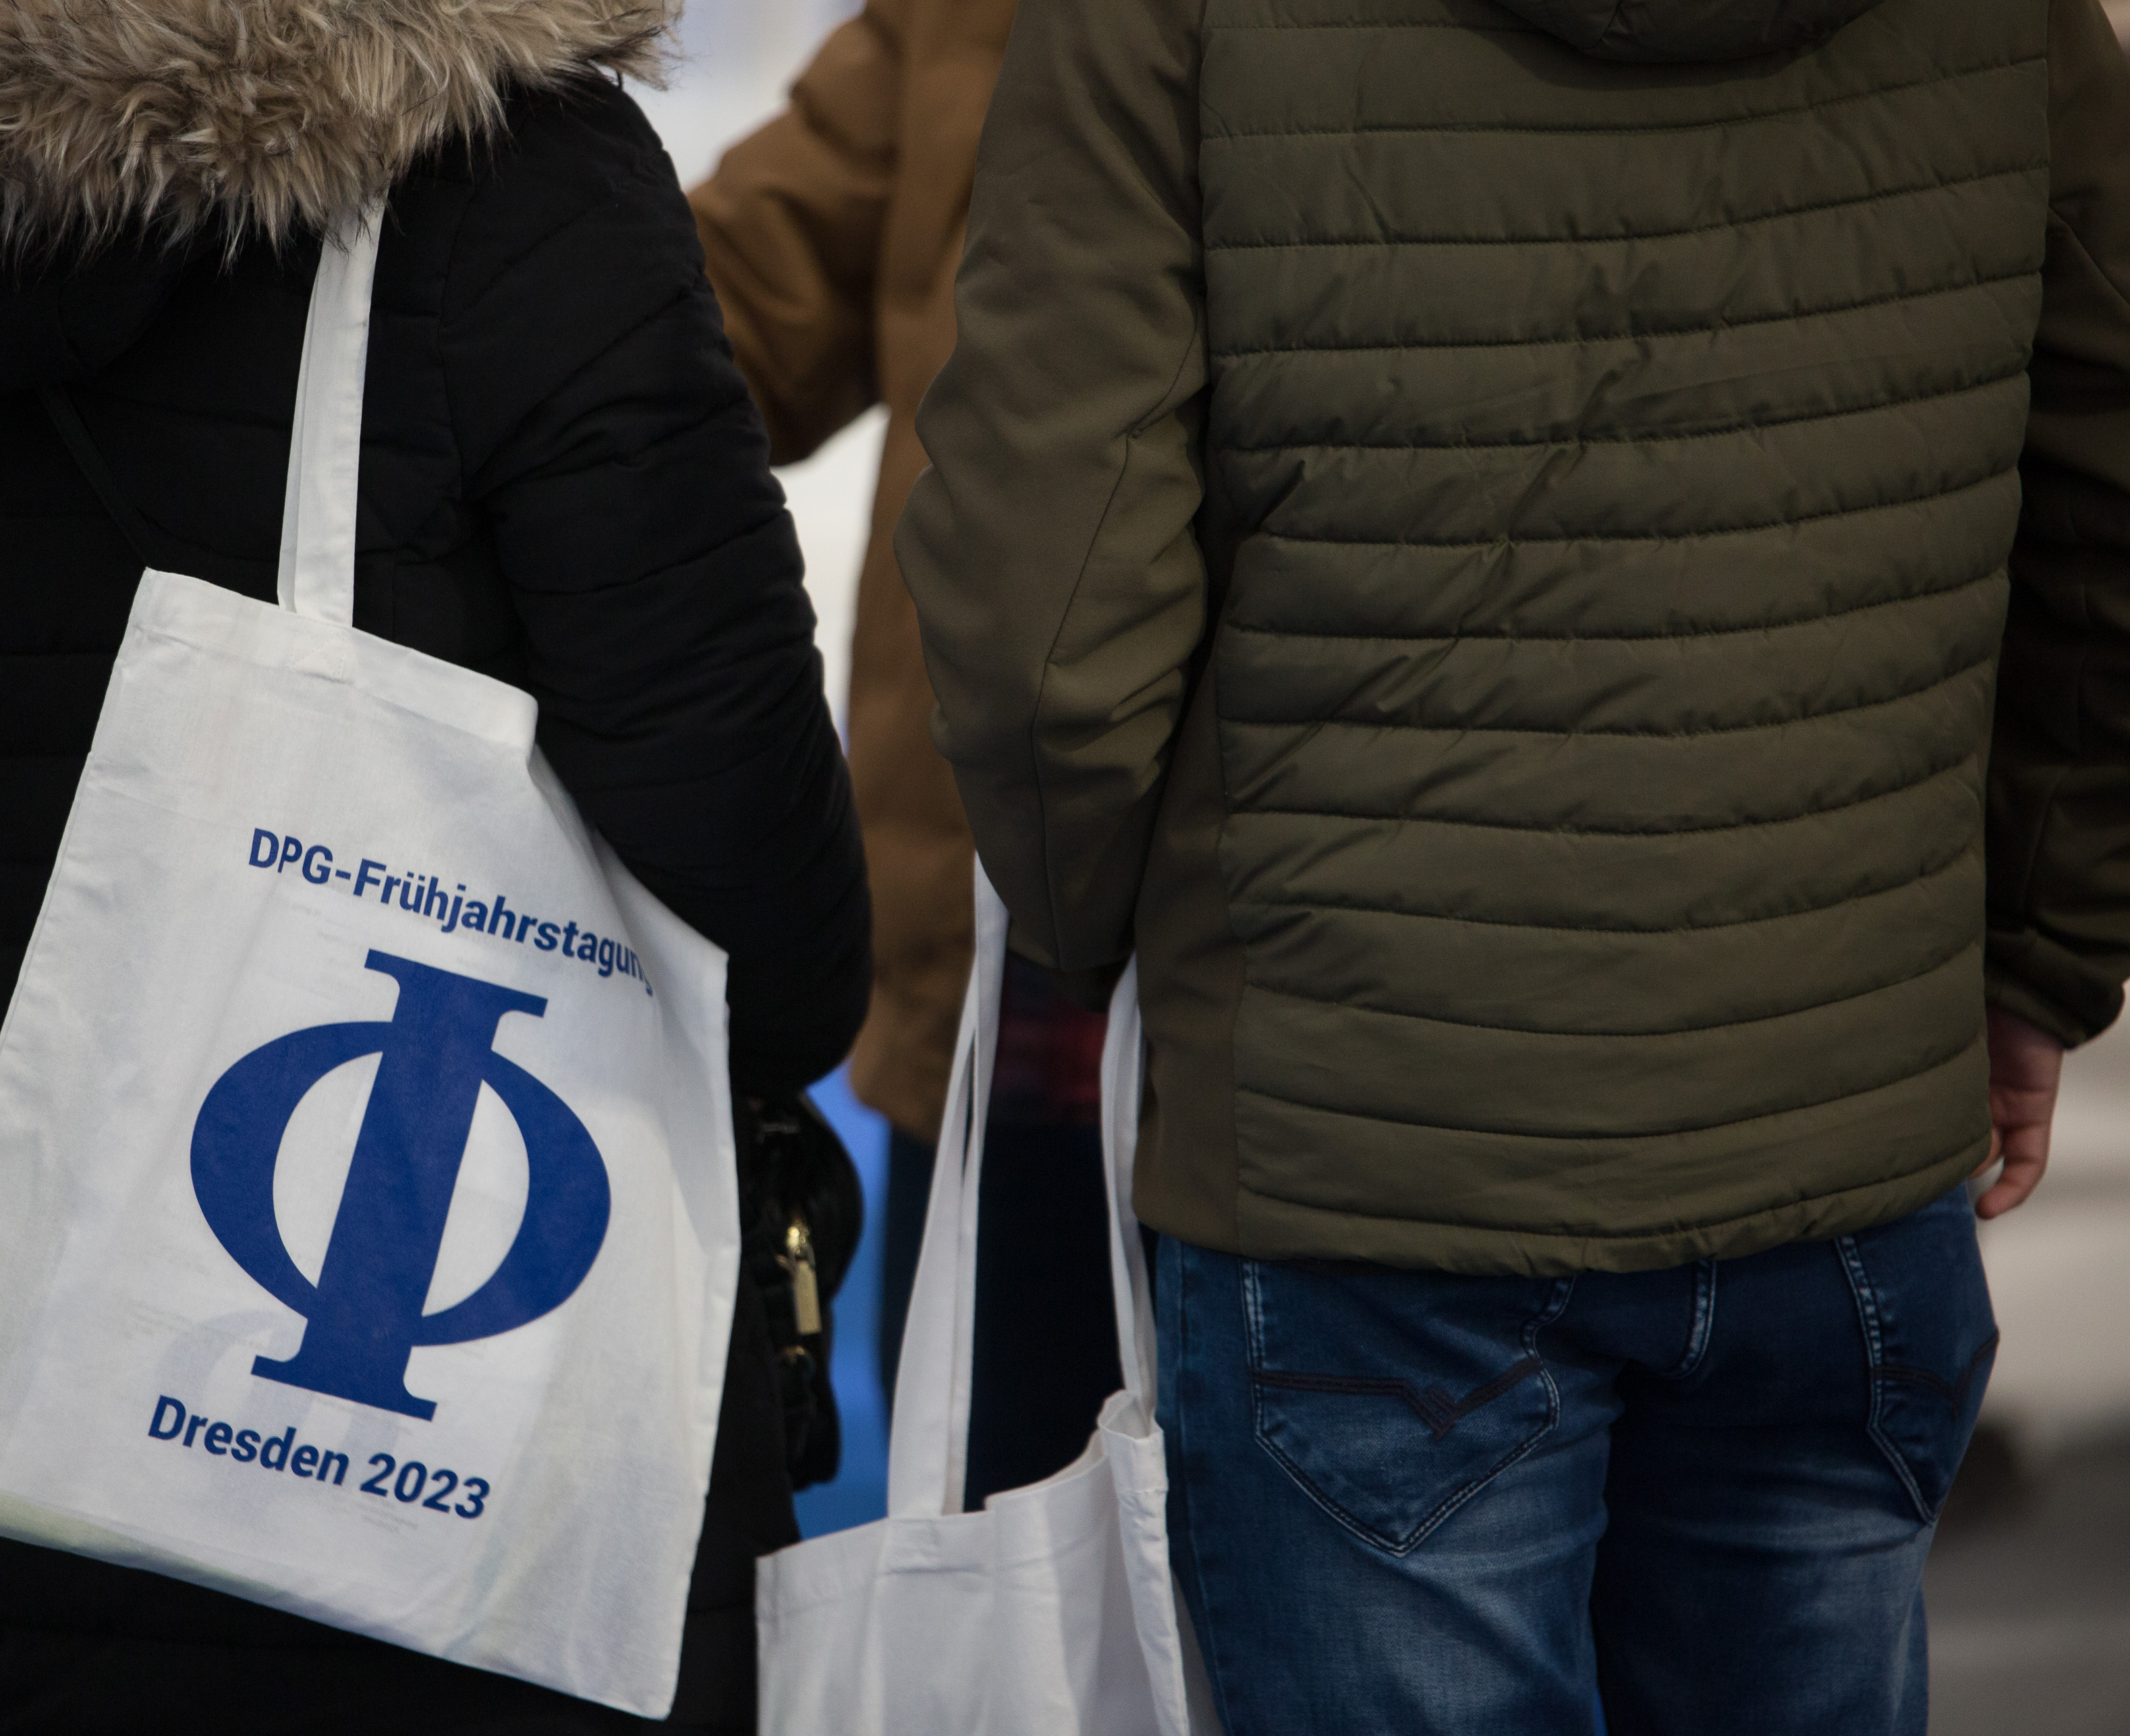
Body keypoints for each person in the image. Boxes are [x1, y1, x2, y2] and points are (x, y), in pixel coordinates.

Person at [898, 0, 2130, 1728]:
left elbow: (1048, 632)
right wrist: (2040, 950)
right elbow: (2102, 501)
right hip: (1840, 1137)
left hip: (1362, 1154)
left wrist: (1119, 943)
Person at [0, 0, 870, 1729]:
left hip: (53, 1394)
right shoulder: (515, 173)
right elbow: (763, 901)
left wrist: (81, 951)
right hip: (503, 1476)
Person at [688, 0, 1120, 1507]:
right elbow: (721, 313)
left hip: (1321, 1004)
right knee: (982, 1562)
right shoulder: (970, 18)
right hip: (1002, 992)